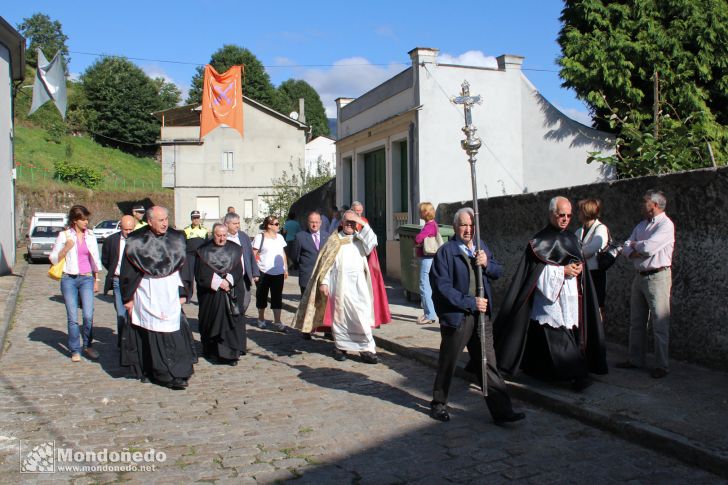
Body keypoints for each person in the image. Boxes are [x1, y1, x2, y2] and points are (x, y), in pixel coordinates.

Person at [494, 196, 607, 391]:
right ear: (551, 214)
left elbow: (581, 261)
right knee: (558, 338)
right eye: (561, 215)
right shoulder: (540, 241)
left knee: (564, 335)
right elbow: (535, 272)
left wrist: (578, 269)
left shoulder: (572, 238)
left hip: (570, 296)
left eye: (569, 215)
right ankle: (577, 375)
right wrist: (562, 271)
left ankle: (543, 371)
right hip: (549, 300)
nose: (565, 219)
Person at [428, 207, 523, 424]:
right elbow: (442, 287)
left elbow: (498, 271)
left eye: (471, 225)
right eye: (463, 225)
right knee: (449, 362)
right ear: (455, 227)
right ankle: (438, 403)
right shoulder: (447, 252)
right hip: (458, 318)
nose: (468, 229)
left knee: (488, 363)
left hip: (482, 318)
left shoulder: (481, 248)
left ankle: (502, 411)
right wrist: (470, 302)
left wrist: (486, 263)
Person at [119, 206, 196, 389]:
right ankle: (153, 371)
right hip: (146, 291)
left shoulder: (177, 238)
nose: (165, 223)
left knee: (174, 333)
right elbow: (127, 272)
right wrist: (128, 298)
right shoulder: (136, 241)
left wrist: (184, 291)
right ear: (150, 221)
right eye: (160, 220)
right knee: (148, 332)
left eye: (166, 219)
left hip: (170, 291)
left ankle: (178, 373)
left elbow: (184, 267)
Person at [292, 210, 380, 363]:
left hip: (358, 285)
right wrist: (324, 282)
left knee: (361, 316)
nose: (350, 225)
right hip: (339, 284)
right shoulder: (334, 240)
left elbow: (373, 241)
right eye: (347, 222)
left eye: (353, 223)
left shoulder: (361, 239)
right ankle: (340, 347)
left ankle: (366, 350)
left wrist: (361, 221)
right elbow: (326, 264)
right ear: (342, 223)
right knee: (340, 317)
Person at [617, 190, 675, 379]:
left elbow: (649, 249)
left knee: (659, 322)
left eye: (645, 201)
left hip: (658, 276)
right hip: (640, 275)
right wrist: (634, 248)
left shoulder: (666, 225)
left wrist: (635, 246)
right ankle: (635, 359)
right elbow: (624, 247)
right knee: (636, 321)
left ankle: (662, 365)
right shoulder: (642, 225)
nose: (642, 205)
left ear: (655, 205)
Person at [49, 205, 103, 362]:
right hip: (69, 279)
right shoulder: (64, 235)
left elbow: (95, 259)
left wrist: (96, 279)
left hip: (86, 278)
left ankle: (88, 345)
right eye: (83, 219)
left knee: (88, 315)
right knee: (73, 317)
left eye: (87, 219)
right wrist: (66, 248)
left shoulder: (91, 235)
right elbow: (53, 258)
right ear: (74, 220)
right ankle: (75, 349)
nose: (86, 222)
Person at [195, 223, 246, 366]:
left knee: (232, 322)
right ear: (213, 234)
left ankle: (231, 354)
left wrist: (228, 281)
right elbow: (201, 272)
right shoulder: (203, 251)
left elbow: (238, 269)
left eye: (224, 235)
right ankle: (213, 352)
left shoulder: (235, 249)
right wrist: (218, 282)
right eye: (219, 235)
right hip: (213, 295)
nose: (222, 238)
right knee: (213, 321)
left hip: (231, 292)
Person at [346, 201, 391, 326]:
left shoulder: (364, 221)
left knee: (369, 291)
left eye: (360, 211)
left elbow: (370, 240)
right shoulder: (347, 220)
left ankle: (372, 318)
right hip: (349, 262)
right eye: (356, 211)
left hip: (365, 258)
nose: (359, 213)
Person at [292, 211, 327, 340]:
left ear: (321, 223)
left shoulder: (326, 236)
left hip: (323, 276)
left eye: (317, 222)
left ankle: (326, 329)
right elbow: (295, 256)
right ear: (308, 222)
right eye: (312, 222)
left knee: (323, 304)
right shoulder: (300, 236)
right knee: (307, 304)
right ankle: (306, 329)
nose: (314, 225)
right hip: (307, 275)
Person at [101, 215, 136, 345]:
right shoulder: (111, 240)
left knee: (134, 313)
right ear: (120, 227)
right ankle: (122, 342)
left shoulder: (139, 239)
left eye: (131, 229)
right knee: (121, 313)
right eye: (126, 229)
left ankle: (134, 342)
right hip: (117, 280)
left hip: (134, 281)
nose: (128, 232)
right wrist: (113, 270)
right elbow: (105, 259)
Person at [574, 199, 609, 322]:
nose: (577, 213)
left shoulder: (600, 228)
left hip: (595, 273)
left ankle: (598, 335)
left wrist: (580, 252)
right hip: (582, 273)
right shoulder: (579, 231)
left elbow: (594, 247)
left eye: (580, 210)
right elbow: (573, 249)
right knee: (583, 305)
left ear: (586, 212)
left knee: (597, 305)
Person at [252, 215, 288, 332]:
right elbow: (253, 254)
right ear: (269, 225)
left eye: (278, 224)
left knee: (277, 297)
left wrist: (285, 268)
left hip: (278, 272)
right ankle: (261, 318)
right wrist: (254, 272)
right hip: (263, 271)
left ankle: (277, 321)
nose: (279, 226)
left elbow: (282, 253)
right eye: (276, 224)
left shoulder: (280, 238)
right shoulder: (260, 237)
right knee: (261, 295)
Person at [224, 212, 259, 316]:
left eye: (238, 223)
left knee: (246, 300)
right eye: (234, 223)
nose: (237, 226)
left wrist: (255, 272)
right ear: (227, 224)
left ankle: (239, 315)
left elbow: (250, 255)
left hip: (244, 275)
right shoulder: (223, 237)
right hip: (229, 277)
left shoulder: (243, 236)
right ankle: (234, 321)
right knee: (230, 301)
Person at [414, 202, 438, 325]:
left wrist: (417, 240)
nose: (419, 213)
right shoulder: (433, 224)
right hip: (429, 258)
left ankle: (430, 315)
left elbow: (419, 239)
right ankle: (429, 312)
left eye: (421, 211)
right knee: (427, 286)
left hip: (426, 258)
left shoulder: (429, 226)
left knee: (424, 286)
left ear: (425, 213)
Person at [181, 210, 209, 302]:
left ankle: (201, 296)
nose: (196, 219)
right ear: (191, 219)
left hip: (200, 257)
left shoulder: (204, 230)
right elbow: (183, 244)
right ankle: (188, 296)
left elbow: (206, 245)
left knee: (200, 277)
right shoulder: (186, 230)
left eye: (197, 218)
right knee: (188, 277)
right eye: (194, 218)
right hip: (189, 256)